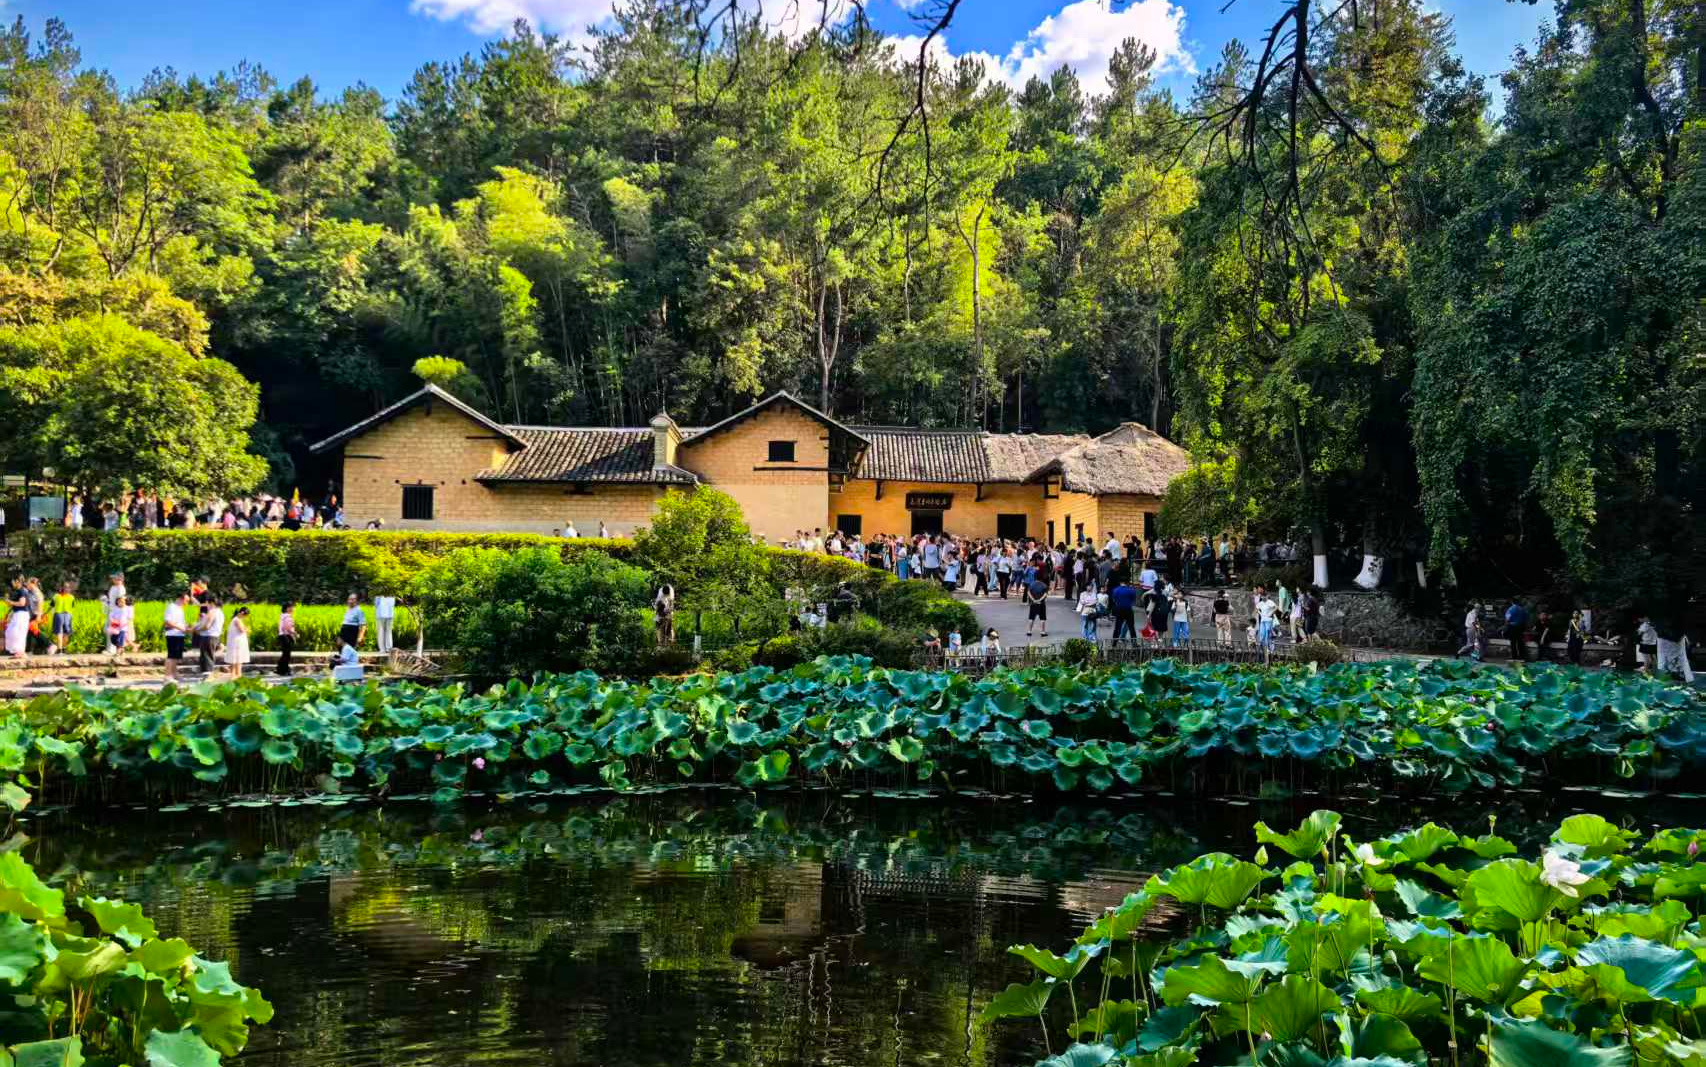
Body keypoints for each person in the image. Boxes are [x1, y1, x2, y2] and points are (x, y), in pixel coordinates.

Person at [162, 592, 191, 681]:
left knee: (176, 656)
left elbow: (179, 622)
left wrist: (187, 626)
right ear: (181, 599)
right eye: (186, 601)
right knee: (171, 656)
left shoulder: (180, 608)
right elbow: (168, 622)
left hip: (179, 634)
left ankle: (174, 673)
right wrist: (181, 628)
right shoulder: (172, 607)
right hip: (173, 634)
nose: (187, 603)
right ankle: (167, 675)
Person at [194, 596, 224, 675]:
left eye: (207, 603)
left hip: (208, 636)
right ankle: (208, 673)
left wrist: (197, 630)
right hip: (215, 636)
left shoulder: (212, 612)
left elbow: (207, 626)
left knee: (206, 656)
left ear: (212, 603)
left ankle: (207, 675)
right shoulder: (220, 612)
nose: (206, 605)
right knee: (210, 655)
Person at [224, 606, 251, 680]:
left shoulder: (236, 619)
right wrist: (247, 629)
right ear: (242, 613)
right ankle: (238, 675)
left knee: (236, 659)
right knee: (238, 659)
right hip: (237, 643)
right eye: (245, 615)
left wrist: (246, 629)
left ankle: (235, 675)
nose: (245, 617)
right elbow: (242, 630)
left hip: (237, 642)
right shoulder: (237, 620)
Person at [4, 577, 28, 658]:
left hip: (22, 614)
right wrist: (8, 601)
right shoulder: (17, 591)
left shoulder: (22, 591)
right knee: (10, 632)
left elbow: (22, 603)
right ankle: (17, 652)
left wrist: (11, 602)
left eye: (13, 582)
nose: (12, 583)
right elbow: (13, 604)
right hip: (17, 614)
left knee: (18, 633)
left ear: (18, 581)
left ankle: (20, 652)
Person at [1109, 578, 1138, 643]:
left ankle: (1114, 642)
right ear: (1127, 583)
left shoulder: (1115, 590)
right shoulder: (1131, 590)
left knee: (1117, 627)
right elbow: (1133, 600)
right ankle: (1134, 643)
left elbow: (1114, 599)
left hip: (1119, 609)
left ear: (1120, 582)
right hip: (1128, 609)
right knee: (1131, 627)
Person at [49, 582, 74, 655]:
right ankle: (64, 649)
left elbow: (51, 606)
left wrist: (45, 613)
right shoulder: (72, 597)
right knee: (66, 633)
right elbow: (72, 606)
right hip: (68, 615)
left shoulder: (56, 596)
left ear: (61, 588)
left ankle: (59, 650)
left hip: (58, 615)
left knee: (59, 633)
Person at [1023, 574, 1049, 638]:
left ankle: (1029, 631)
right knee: (1042, 618)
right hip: (1041, 604)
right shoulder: (1044, 585)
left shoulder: (1032, 584)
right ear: (1042, 578)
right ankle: (1043, 632)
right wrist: (1039, 600)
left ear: (1035, 578)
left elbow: (1028, 592)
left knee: (1031, 617)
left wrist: (1033, 599)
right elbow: (1045, 594)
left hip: (1033, 603)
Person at [277, 602, 298, 676]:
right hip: (286, 636)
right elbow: (287, 627)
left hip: (282, 636)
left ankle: (280, 669)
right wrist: (294, 633)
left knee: (285, 654)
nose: (293, 609)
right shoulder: (287, 616)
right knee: (287, 654)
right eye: (292, 607)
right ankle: (284, 670)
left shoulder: (282, 615)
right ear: (288, 608)